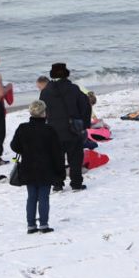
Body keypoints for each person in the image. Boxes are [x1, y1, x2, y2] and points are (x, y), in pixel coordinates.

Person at [9, 100, 64, 234]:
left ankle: (31, 225)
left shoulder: (23, 128)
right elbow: (57, 153)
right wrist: (60, 172)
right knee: (44, 197)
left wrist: (25, 150)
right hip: (46, 168)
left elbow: (14, 146)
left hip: (28, 166)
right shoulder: (49, 130)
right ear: (44, 113)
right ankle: (44, 225)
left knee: (31, 197)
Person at [39, 63, 91, 191]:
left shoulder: (45, 92)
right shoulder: (74, 89)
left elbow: (41, 112)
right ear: (66, 74)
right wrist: (84, 124)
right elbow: (86, 106)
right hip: (72, 128)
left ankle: (57, 184)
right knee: (75, 158)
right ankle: (76, 183)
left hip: (53, 130)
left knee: (56, 158)